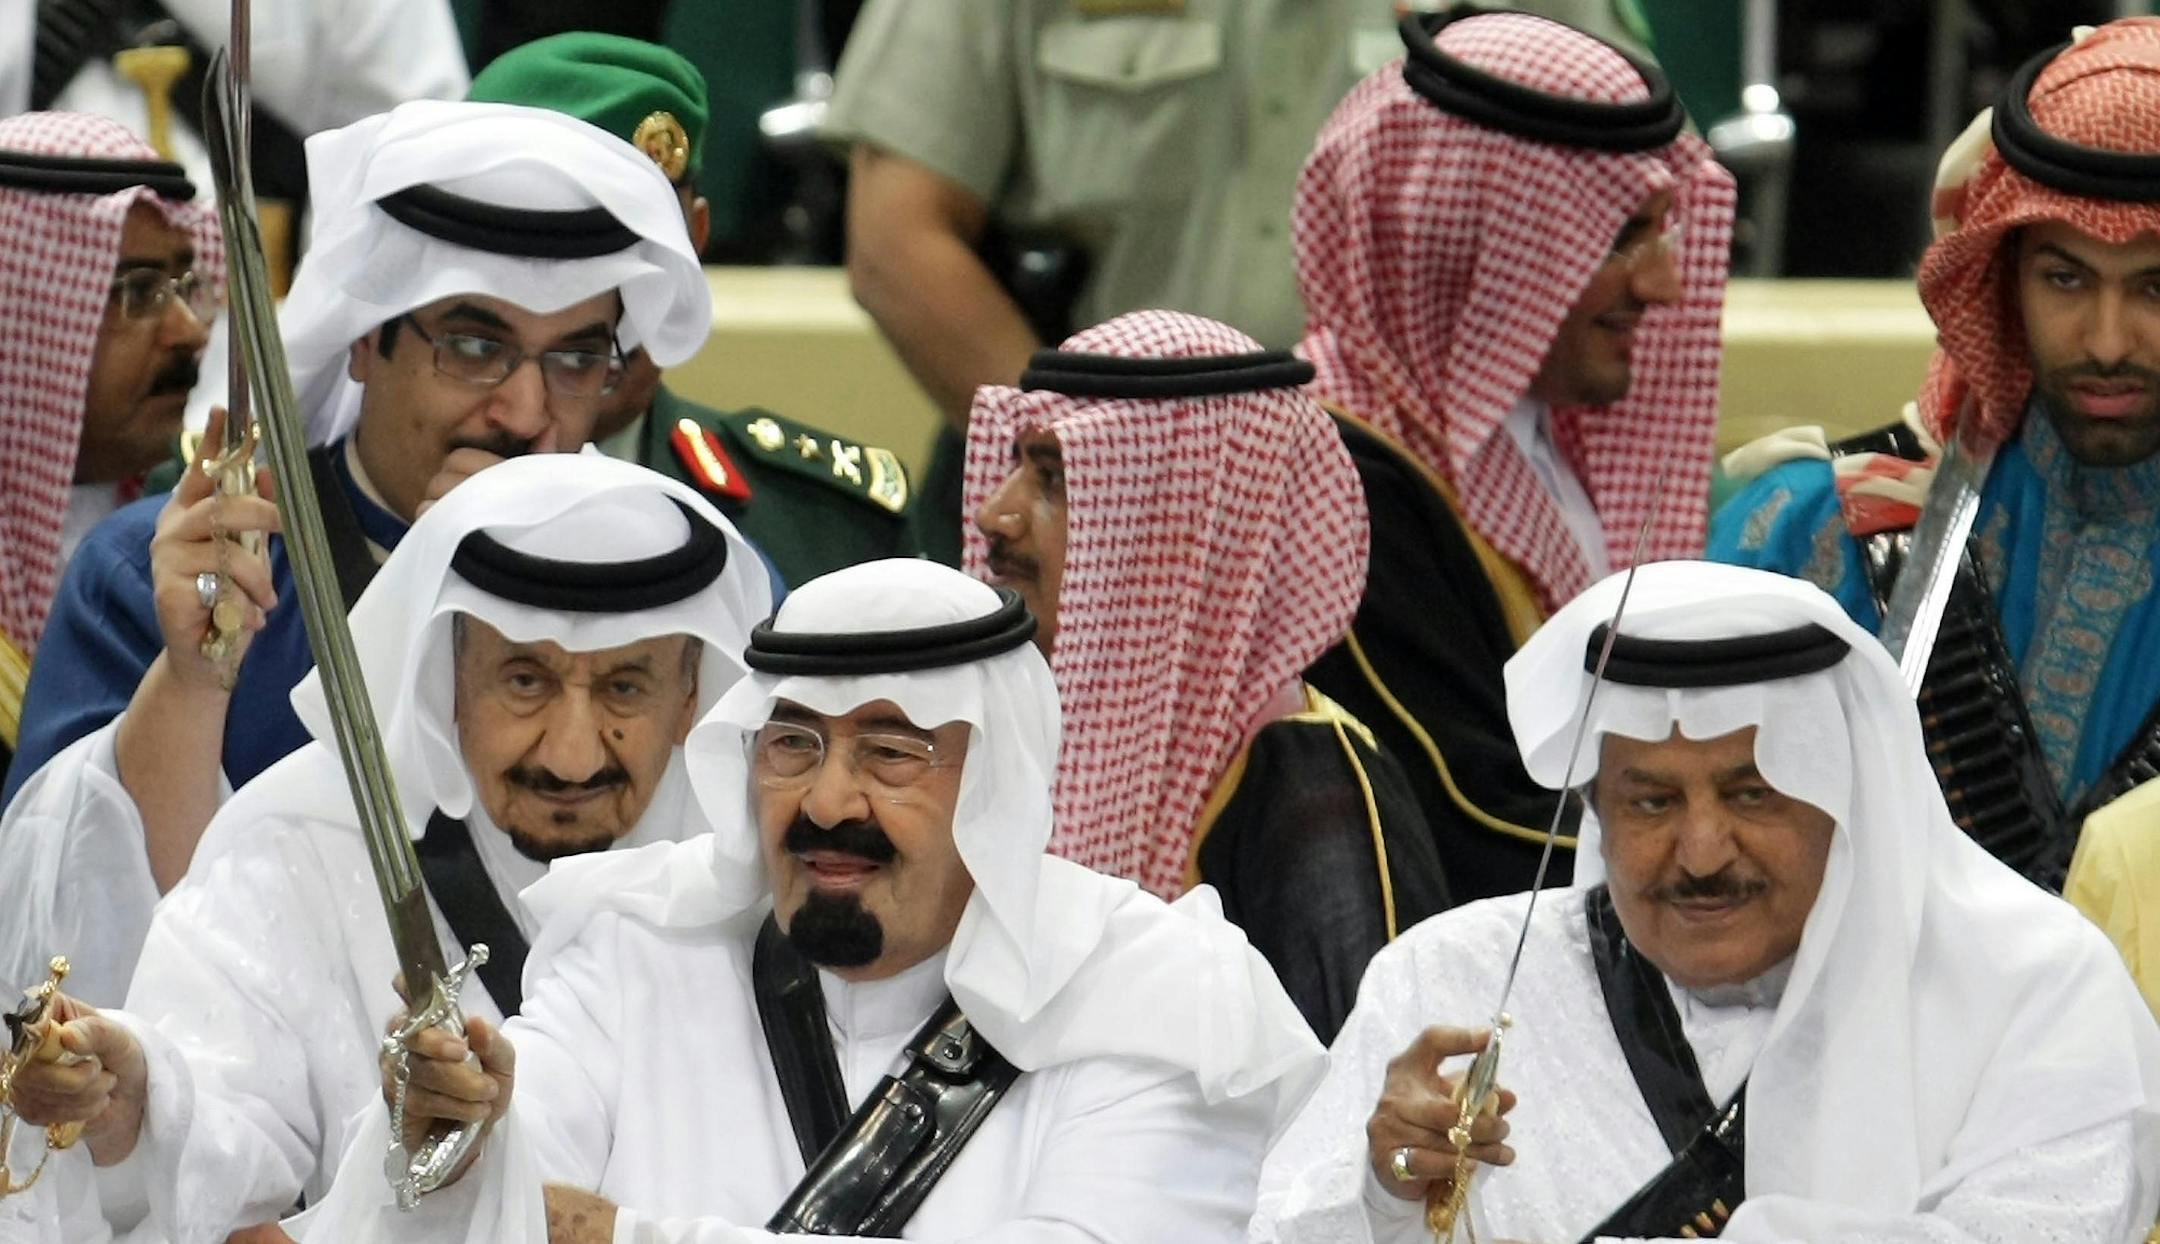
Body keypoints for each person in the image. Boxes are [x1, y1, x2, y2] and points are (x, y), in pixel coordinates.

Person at [293, 558, 1324, 1243]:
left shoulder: (1153, 995)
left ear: (996, 778)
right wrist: (451, 1144)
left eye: (890, 749)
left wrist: (625, 1234)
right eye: (793, 744)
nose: (828, 799)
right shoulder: (637, 946)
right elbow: (493, 1205)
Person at [1251, 561, 2160, 1243]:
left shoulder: (2033, 987)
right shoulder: (1451, 981)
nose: (1702, 851)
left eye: (1753, 793)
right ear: (1595, 810)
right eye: (1651, 800)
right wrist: (1388, 1189)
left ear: (1844, 795)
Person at [0, 100, 713, 967]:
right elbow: (66, 945)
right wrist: (192, 681)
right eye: (475, 348)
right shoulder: (170, 574)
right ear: (367, 342)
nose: (527, 413)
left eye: (574, 361)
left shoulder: (686, 588)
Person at [3, 453, 773, 1243]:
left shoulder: (767, 883)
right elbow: (212, 1121)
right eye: (524, 681)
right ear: (447, 673)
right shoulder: (304, 838)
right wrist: (131, 1102)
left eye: (625, 688)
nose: (572, 754)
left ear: (691, 694)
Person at [1295, 10, 1734, 904]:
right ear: (1474, 247)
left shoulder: (1553, 438)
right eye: (1621, 239)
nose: (1664, 285)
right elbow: (1481, 820)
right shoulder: (1338, 483)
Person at [1711, 18, 2160, 888]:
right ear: (2001, 278)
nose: (2107, 340)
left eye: (2155, 286)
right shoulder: (1821, 532)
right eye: (2065, 278)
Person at [965, 309, 1448, 1040]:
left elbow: (1358, 1115)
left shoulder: (1312, 794)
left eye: (1053, 481)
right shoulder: (1012, 739)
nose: (994, 515)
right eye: (1015, 468)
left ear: (1174, 526)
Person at [466, 31, 918, 588]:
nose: (614, 307)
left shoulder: (828, 530)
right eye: (550, 259)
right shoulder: (367, 504)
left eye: (646, 252)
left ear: (697, 240)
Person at [0, 111, 220, 764]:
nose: (191, 331)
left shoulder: (189, 523)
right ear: (19, 317)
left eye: (186, 286)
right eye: (140, 292)